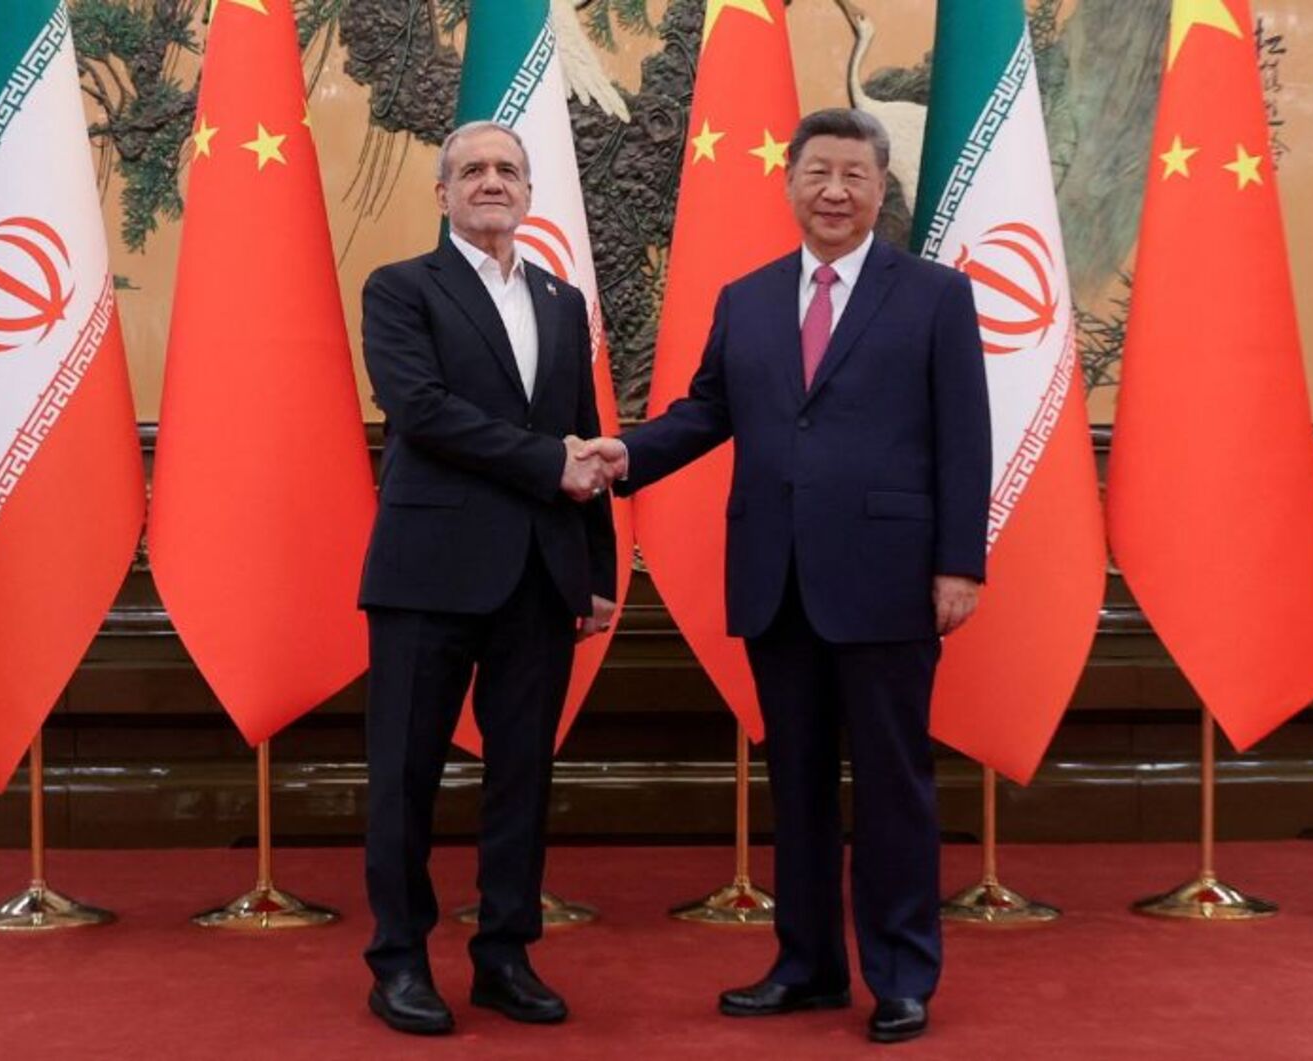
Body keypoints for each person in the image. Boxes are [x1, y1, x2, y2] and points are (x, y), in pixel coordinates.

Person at [581, 108, 989, 1044]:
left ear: (881, 188)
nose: (835, 192)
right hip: (776, 577)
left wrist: (959, 563)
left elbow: (966, 437)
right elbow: (707, 411)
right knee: (797, 784)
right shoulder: (749, 298)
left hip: (890, 579)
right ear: (790, 182)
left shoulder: (935, 295)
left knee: (892, 785)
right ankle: (806, 965)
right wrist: (627, 454)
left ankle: (900, 974)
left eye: (854, 175)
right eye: (818, 173)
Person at [356, 120, 618, 1036]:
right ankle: (399, 961)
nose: (491, 181)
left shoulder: (561, 299)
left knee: (522, 780)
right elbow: (421, 411)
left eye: (508, 169)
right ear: (443, 195)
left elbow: (583, 431)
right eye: (472, 170)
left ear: (529, 191)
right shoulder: (399, 288)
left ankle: (506, 955)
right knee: (405, 778)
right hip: (427, 574)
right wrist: (549, 464)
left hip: (542, 578)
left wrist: (597, 569)